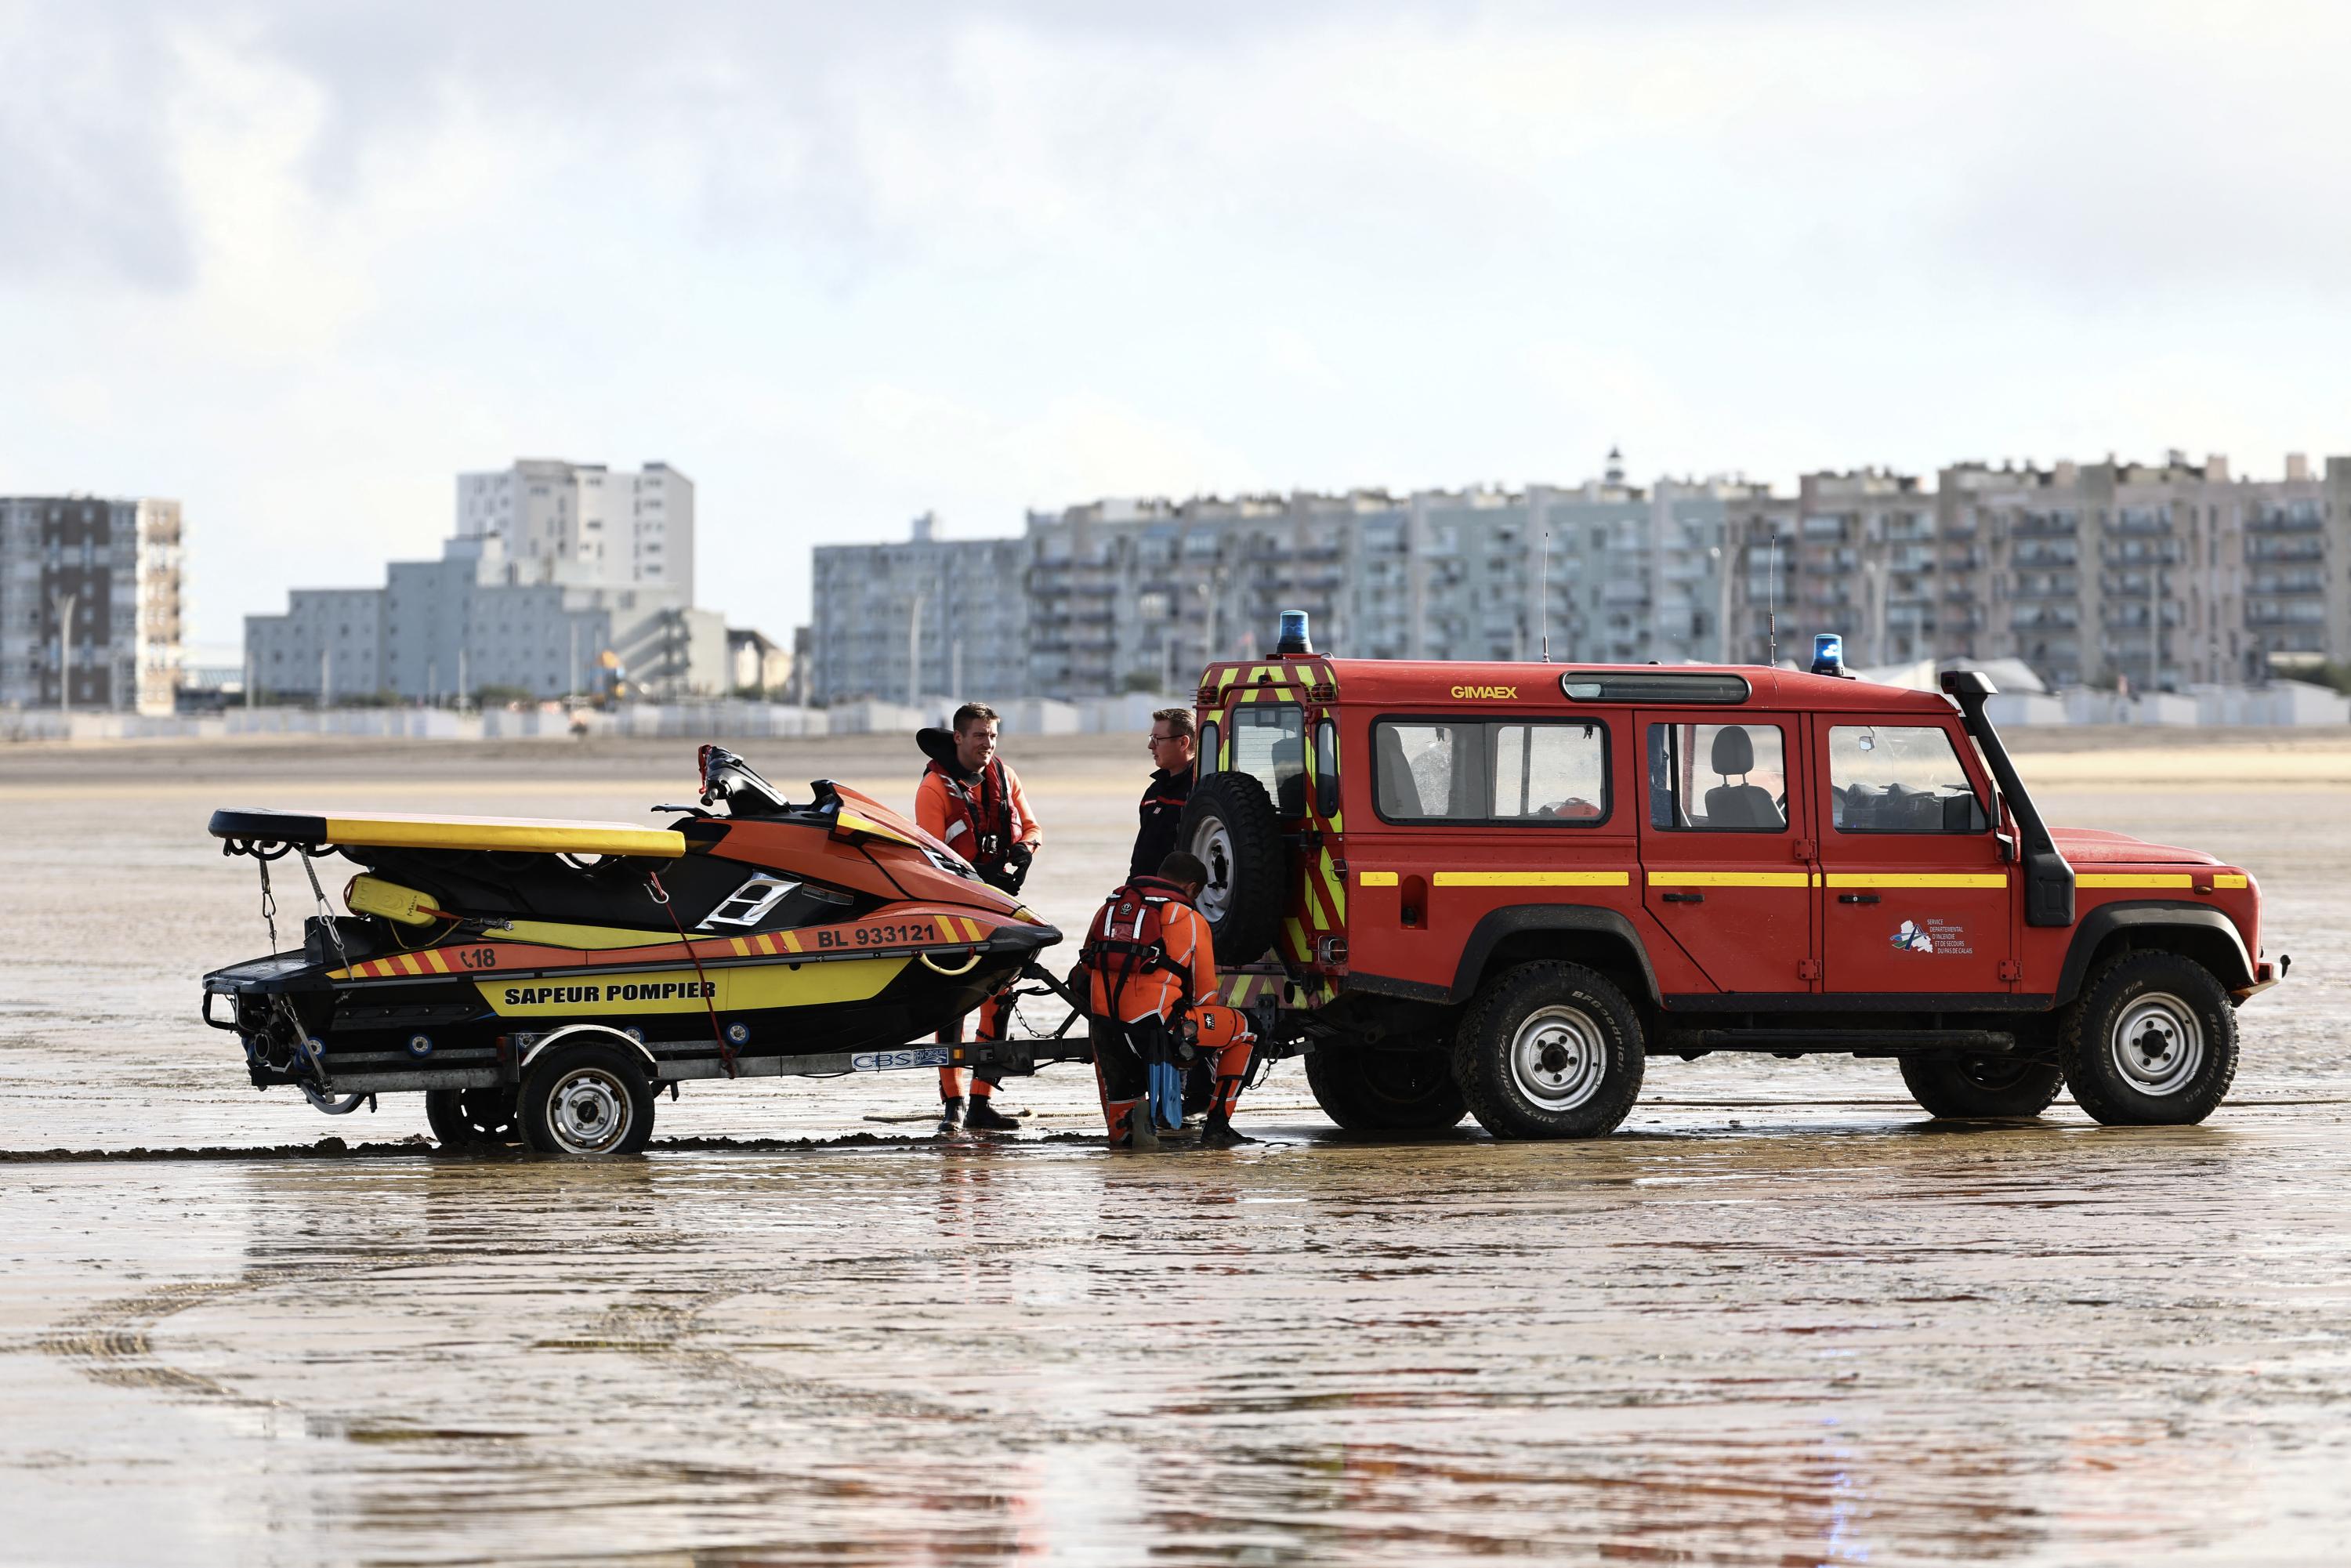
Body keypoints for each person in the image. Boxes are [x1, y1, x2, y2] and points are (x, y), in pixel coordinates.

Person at [915, 701, 1042, 1135]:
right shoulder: (935, 788)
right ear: (958, 738)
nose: (987, 745)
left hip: (1000, 904)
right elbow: (932, 855)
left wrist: (1025, 850)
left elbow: (1031, 827)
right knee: (952, 1007)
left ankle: (982, 1100)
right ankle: (952, 1105)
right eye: (979, 737)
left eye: (992, 737)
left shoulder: (1005, 778)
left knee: (999, 1001)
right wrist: (976, 875)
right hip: (953, 912)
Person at [1079, 850, 1256, 1150]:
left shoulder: (1108, 909)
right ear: (1190, 888)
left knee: (1124, 1139)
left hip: (1106, 1033)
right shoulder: (1189, 917)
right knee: (1246, 1032)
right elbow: (1207, 996)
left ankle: (1124, 1130)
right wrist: (1200, 1046)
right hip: (1160, 1033)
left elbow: (1083, 971)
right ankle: (1217, 1126)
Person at [1129, 707, 1197, 881]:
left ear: (1183, 743)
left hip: (1178, 896)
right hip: (1145, 890)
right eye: (1151, 738)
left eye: (1157, 739)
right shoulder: (1154, 791)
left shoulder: (1200, 791)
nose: (1151, 745)